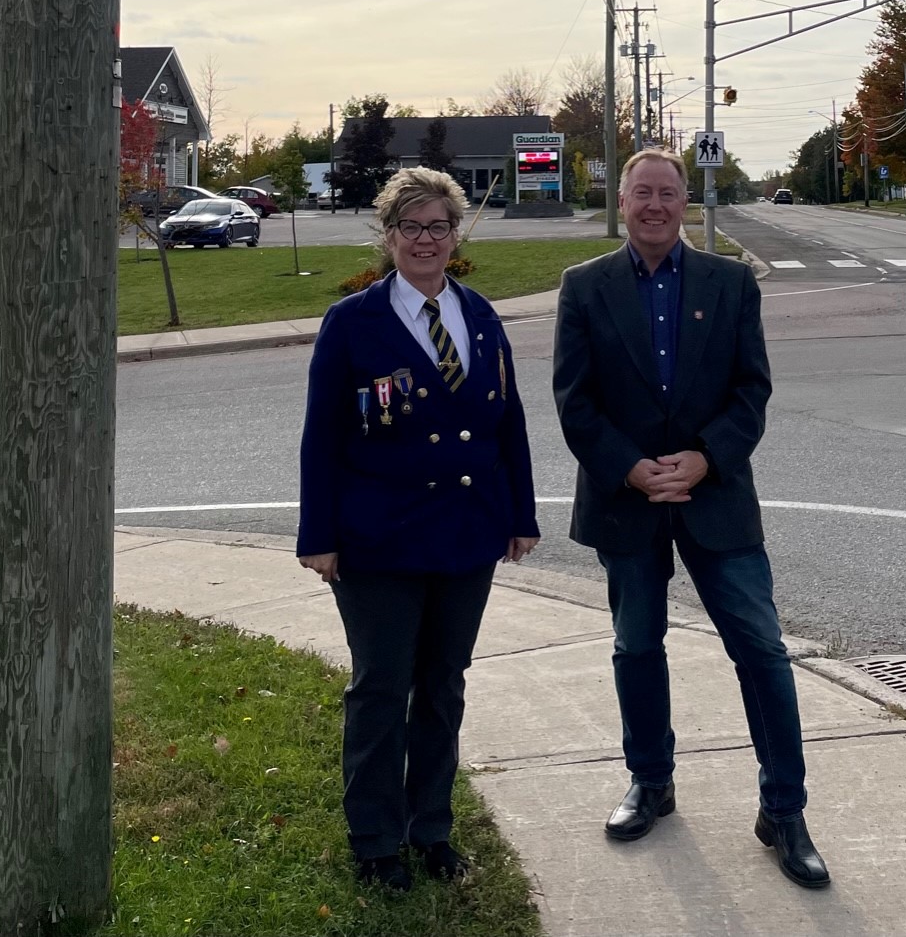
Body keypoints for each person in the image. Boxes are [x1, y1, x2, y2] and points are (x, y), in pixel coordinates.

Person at [552, 148, 830, 890]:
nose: (653, 205)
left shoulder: (732, 283)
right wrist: (630, 468)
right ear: (623, 203)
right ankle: (651, 781)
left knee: (763, 651)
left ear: (684, 202)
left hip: (716, 496)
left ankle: (785, 810)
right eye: (640, 192)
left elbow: (752, 390)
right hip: (626, 499)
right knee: (636, 645)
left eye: (666, 193)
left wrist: (705, 460)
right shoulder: (583, 288)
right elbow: (574, 402)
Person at [297, 167, 540, 894]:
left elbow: (511, 423)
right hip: (379, 540)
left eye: (439, 226)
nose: (426, 240)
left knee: (444, 686)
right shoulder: (354, 323)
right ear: (389, 236)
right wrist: (319, 534)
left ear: (455, 234)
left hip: (468, 537)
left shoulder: (482, 315)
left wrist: (519, 514)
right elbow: (321, 437)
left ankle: (431, 828)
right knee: (381, 688)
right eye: (411, 227)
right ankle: (376, 841)